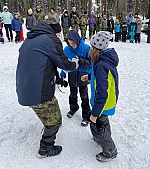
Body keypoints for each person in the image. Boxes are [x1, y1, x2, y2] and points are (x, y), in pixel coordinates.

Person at [16, 22, 78, 158]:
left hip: (24, 88)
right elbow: (64, 63)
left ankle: (48, 124)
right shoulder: (51, 40)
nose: (59, 37)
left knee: (47, 110)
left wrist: (57, 79)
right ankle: (45, 148)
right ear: (55, 32)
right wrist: (75, 64)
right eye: (59, 34)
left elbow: (44, 63)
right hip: (38, 91)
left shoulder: (30, 39)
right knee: (55, 120)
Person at [81, 31, 119, 162]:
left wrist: (95, 113)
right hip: (104, 102)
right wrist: (90, 77)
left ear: (96, 49)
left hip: (103, 103)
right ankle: (103, 137)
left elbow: (102, 93)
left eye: (91, 47)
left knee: (97, 125)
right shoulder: (104, 60)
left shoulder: (101, 65)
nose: (89, 49)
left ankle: (110, 150)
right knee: (103, 122)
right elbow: (103, 79)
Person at [60, 29, 91, 126]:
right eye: (69, 43)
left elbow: (92, 63)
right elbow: (65, 64)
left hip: (83, 76)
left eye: (73, 43)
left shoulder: (86, 48)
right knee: (72, 94)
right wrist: (62, 74)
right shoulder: (66, 50)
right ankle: (73, 108)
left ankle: (86, 115)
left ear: (77, 39)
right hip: (72, 76)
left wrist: (81, 61)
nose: (72, 45)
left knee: (84, 96)